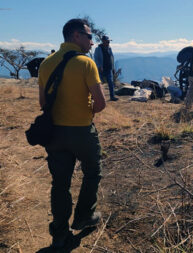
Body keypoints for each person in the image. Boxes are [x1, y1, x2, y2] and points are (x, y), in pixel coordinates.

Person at [37, 18, 106, 249]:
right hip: (82, 132)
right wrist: (86, 113)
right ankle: (84, 215)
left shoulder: (46, 63)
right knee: (92, 172)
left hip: (54, 134)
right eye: (89, 36)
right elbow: (100, 103)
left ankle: (59, 233)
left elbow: (42, 102)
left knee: (60, 183)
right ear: (76, 36)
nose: (91, 41)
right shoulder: (86, 63)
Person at [94, 35, 118, 101]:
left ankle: (112, 97)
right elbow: (96, 58)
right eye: (107, 41)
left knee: (110, 82)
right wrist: (99, 66)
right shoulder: (98, 49)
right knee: (98, 83)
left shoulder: (109, 48)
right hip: (101, 69)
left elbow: (112, 58)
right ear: (103, 41)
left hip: (109, 68)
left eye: (109, 41)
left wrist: (113, 67)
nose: (108, 43)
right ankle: (96, 97)